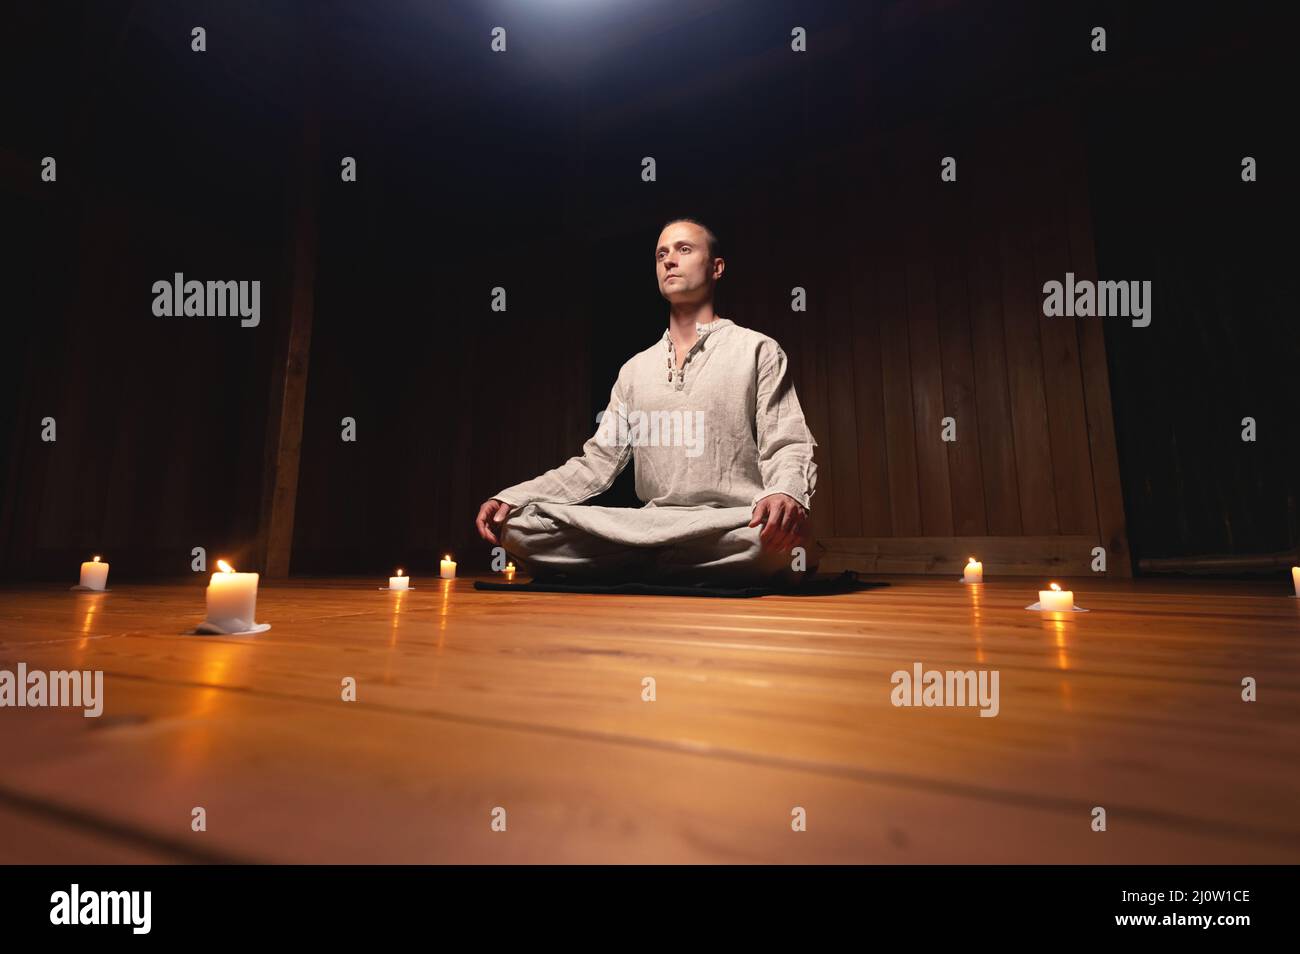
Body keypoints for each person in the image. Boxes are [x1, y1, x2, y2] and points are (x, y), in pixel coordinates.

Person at [474, 218, 819, 586]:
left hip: (731, 523)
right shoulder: (634, 370)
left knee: (769, 542)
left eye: (684, 249)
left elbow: (788, 442)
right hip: (650, 525)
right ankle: (664, 560)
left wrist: (785, 493)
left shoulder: (757, 350)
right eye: (661, 254)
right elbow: (596, 464)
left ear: (716, 267)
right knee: (517, 527)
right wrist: (515, 496)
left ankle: (636, 564)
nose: (669, 260)